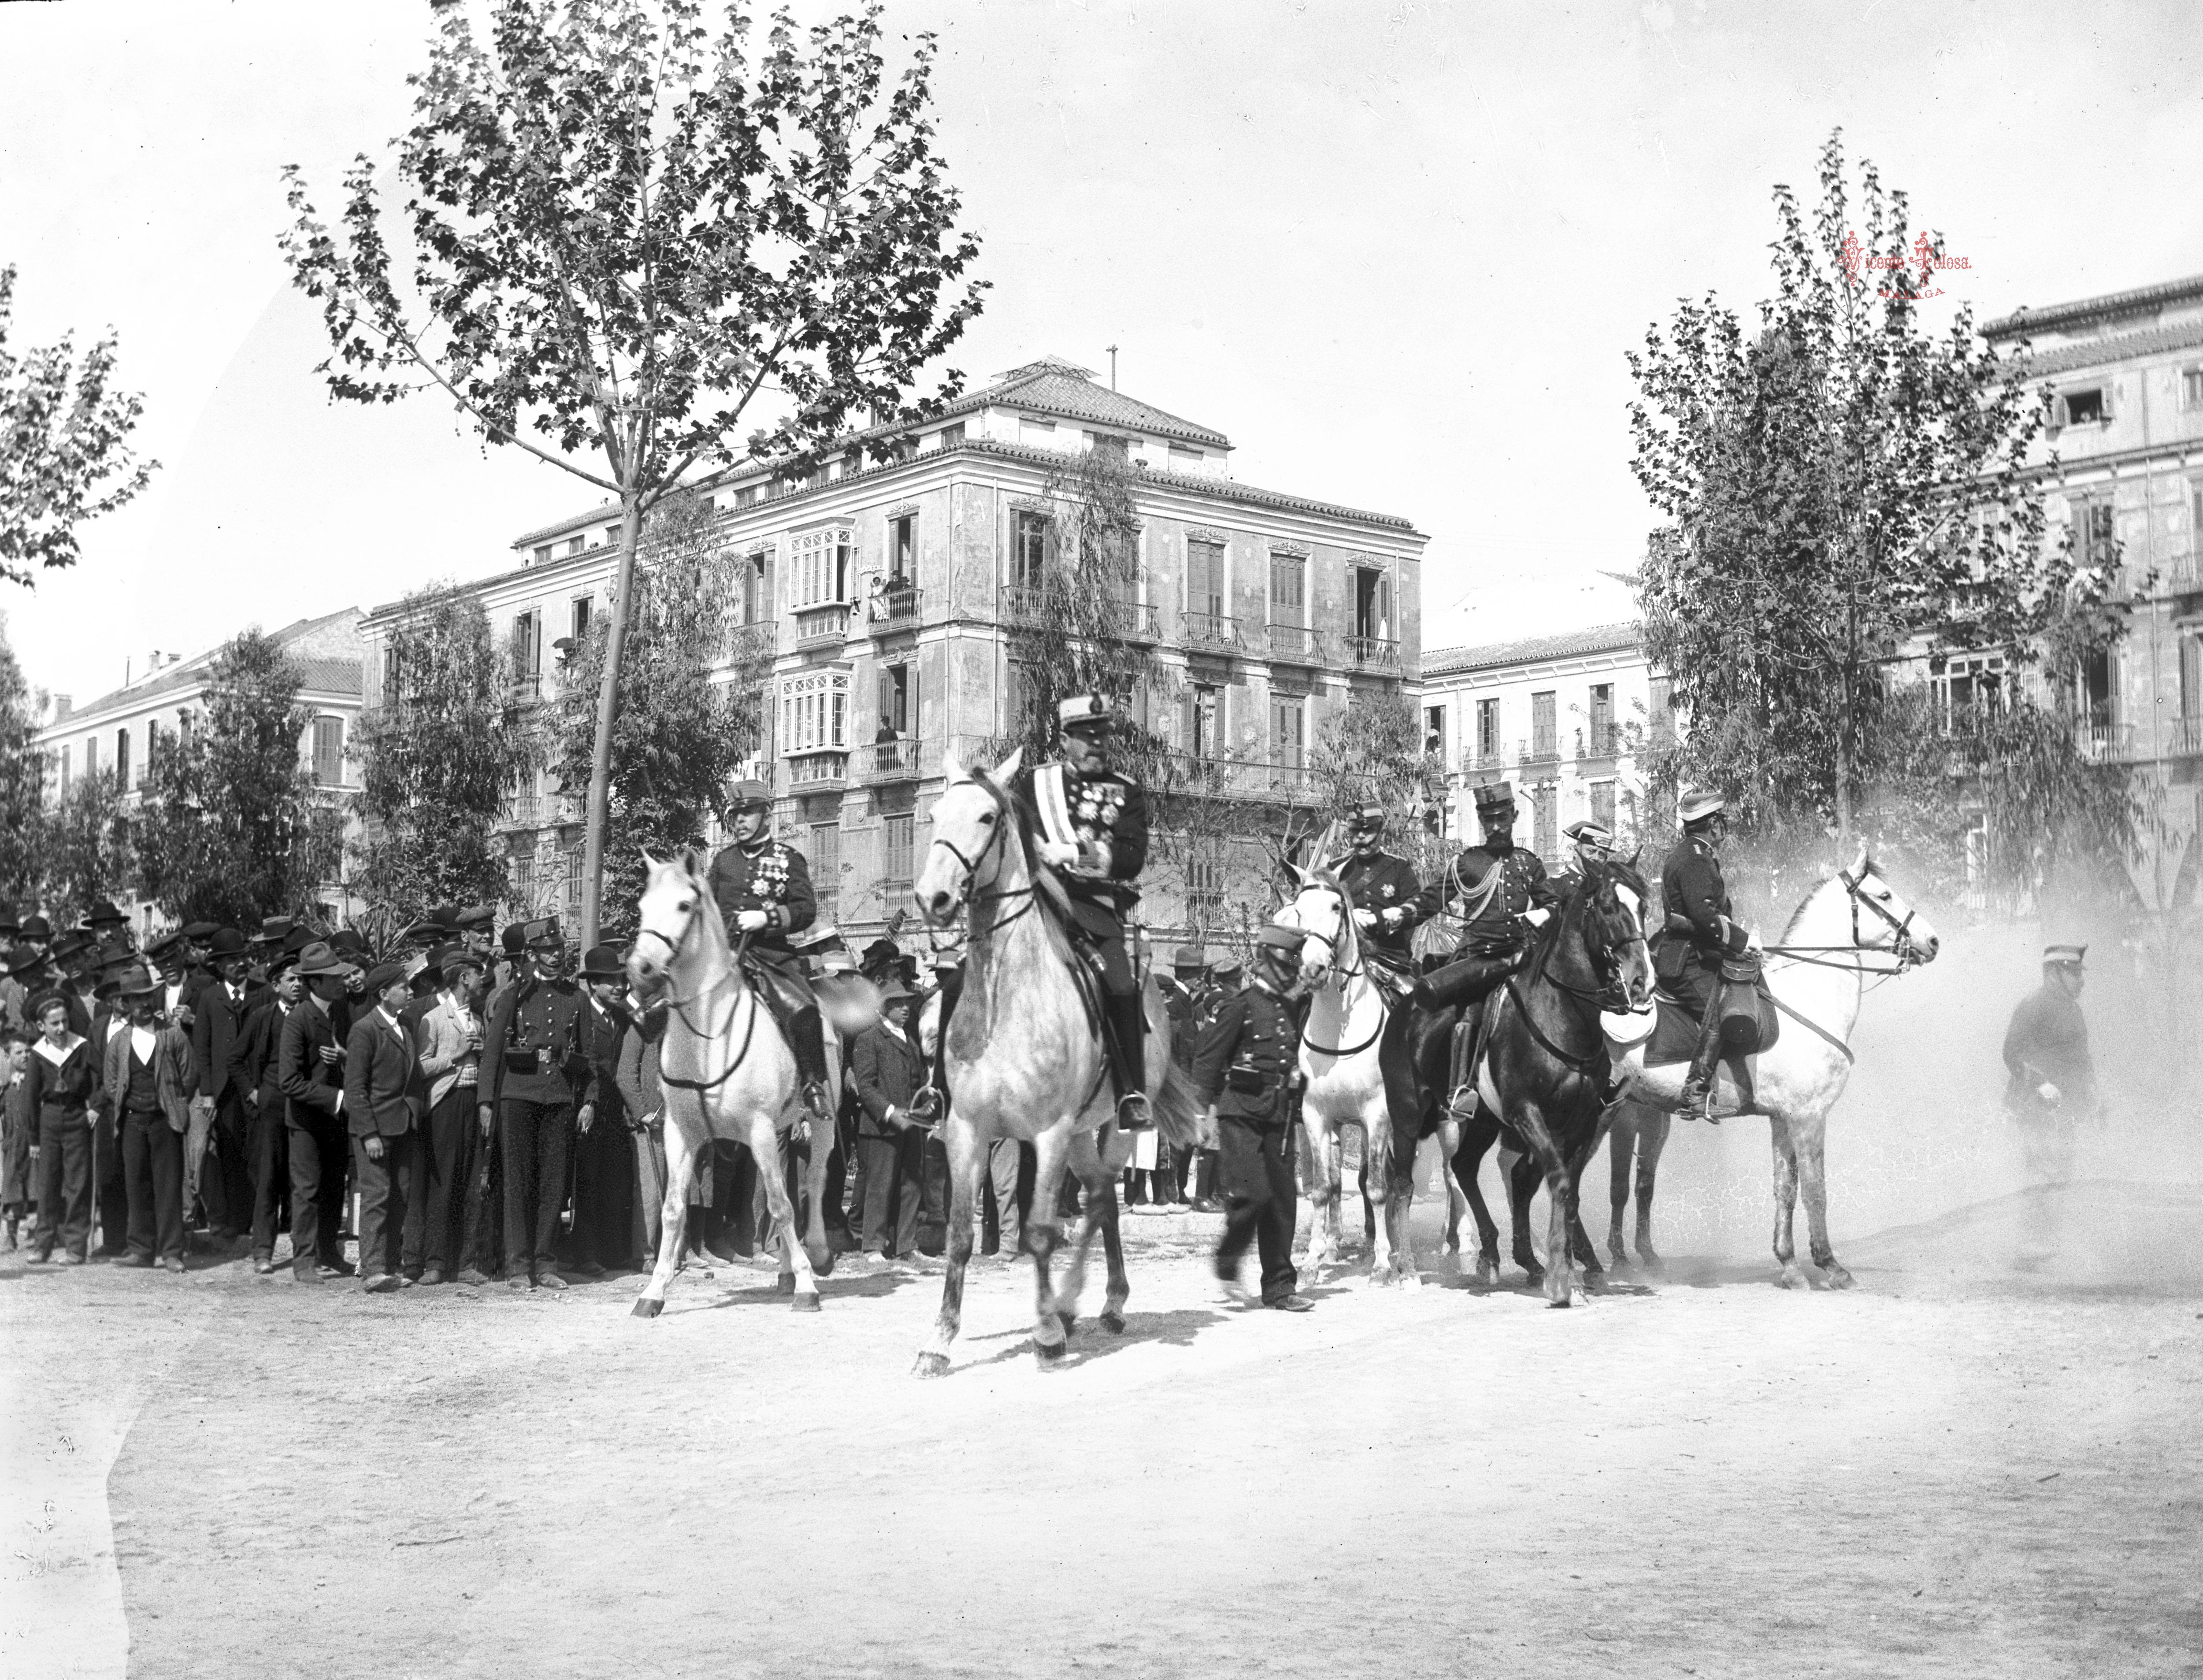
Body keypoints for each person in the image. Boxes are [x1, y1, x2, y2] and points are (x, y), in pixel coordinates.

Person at [1016, 693, 1153, 1128]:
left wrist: (1074, 852)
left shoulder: (1125, 792)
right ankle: (940, 1088)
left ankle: (1131, 1090)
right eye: (1086, 738)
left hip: (1092, 911)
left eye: (1102, 738)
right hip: (1033, 905)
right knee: (967, 969)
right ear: (1064, 740)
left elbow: (1131, 858)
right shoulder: (1032, 785)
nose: (1097, 746)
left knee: (1120, 985)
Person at [1194, 925, 1314, 1312]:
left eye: (1293, 966)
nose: (1290, 972)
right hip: (1239, 1114)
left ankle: (1280, 1287)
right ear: (1265, 961)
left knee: (1282, 1202)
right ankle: (1228, 1260)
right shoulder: (1239, 1005)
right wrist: (1201, 1113)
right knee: (1252, 1195)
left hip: (1279, 1113)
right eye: (1284, 964)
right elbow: (1208, 1061)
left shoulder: (1291, 1006)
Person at [705, 779, 833, 1122]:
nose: (740, 821)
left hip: (771, 956)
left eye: (747, 813)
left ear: (766, 814)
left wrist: (767, 917)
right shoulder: (723, 862)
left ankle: (811, 1083)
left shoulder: (788, 859)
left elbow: (806, 910)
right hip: (726, 955)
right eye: (735, 815)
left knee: (804, 1008)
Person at [480, 917, 589, 1291]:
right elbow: (492, 1054)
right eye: (547, 951)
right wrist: (485, 1102)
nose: (556, 956)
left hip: (558, 1096)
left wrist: (589, 1099)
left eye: (559, 949)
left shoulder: (577, 998)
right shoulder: (515, 996)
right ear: (532, 955)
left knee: (553, 1185)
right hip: (517, 1095)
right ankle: (517, 1266)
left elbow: (588, 1057)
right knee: (517, 1183)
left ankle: (545, 1264)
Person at [1652, 788, 1753, 1119]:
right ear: (1713, 825)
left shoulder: (1694, 852)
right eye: (1722, 820)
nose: (1724, 826)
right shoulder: (1695, 858)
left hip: (1698, 954)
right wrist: (1742, 941)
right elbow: (1704, 915)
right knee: (1721, 1012)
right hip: (1687, 960)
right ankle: (1694, 1092)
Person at [104, 964, 194, 1272]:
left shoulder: (171, 1035)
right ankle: (141, 1249)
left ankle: (172, 1252)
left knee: (169, 1187)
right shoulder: (119, 1041)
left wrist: (173, 1103)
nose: (142, 1004)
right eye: (134, 999)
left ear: (153, 998)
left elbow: (189, 1075)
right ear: (125, 1004)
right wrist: (127, 1103)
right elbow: (111, 1081)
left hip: (164, 1121)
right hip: (131, 1121)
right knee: (136, 1184)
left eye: (146, 997)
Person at [345, 962, 427, 1293]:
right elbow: (355, 1088)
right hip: (376, 1130)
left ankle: (392, 1264)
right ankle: (373, 1269)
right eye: (404, 987)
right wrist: (368, 1133)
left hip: (403, 1126)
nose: (410, 992)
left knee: (400, 1196)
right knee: (377, 1196)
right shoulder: (365, 1030)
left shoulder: (405, 1025)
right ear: (383, 993)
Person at [278, 940, 356, 1283]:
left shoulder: (340, 1012)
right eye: (333, 977)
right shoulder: (299, 1019)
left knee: (332, 1190)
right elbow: (289, 1082)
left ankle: (329, 1251)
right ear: (315, 982)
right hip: (308, 1122)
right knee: (307, 1191)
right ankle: (304, 1260)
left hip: (336, 1121)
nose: (342, 981)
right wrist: (337, 1098)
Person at [412, 945, 485, 1285]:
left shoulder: (480, 1019)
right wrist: (457, 1055)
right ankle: (436, 1262)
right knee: (441, 1183)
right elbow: (421, 1067)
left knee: (470, 1184)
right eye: (478, 975)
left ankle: (466, 1263)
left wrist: (479, 1055)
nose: (483, 980)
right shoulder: (434, 1018)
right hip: (444, 1105)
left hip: (472, 1102)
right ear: (464, 978)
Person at [188, 927, 260, 1253]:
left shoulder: (262, 993)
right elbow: (201, 1048)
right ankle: (234, 1220)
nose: (239, 965)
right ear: (219, 966)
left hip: (255, 1087)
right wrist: (206, 1091)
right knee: (229, 1153)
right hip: (224, 1089)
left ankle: (260, 1217)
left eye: (242, 958)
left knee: (258, 1151)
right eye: (231, 961)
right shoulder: (210, 997)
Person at [2002, 943, 2099, 1182]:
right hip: (2037, 1112)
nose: (2081, 981)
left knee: (2064, 1182)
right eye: (2074, 974)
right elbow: (2012, 1053)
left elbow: (2081, 1058)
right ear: (2052, 976)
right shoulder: (2034, 1005)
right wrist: (2039, 1084)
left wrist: (2094, 1093)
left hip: (2065, 1113)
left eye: (2080, 973)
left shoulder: (2073, 1010)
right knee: (2040, 1185)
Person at [850, 978, 929, 1261]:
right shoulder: (869, 1039)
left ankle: (907, 1246)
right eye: (898, 1003)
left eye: (908, 1002)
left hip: (912, 1125)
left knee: (912, 1185)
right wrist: (889, 1113)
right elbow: (866, 1085)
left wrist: (926, 1110)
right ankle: (873, 1246)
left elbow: (919, 1082)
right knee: (879, 1187)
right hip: (881, 1128)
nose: (906, 1008)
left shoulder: (910, 1040)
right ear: (884, 1009)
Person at [568, 942, 635, 1275]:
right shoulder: (582, 1013)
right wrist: (588, 1102)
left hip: (617, 1111)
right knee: (588, 1182)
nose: (619, 987)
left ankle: (613, 1251)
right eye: (611, 981)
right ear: (593, 983)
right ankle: (585, 1254)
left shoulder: (621, 1016)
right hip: (587, 1110)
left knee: (615, 1181)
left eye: (622, 980)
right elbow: (587, 1062)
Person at [24, 993, 98, 1265]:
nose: (61, 1028)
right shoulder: (38, 1055)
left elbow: (102, 1080)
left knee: (78, 1183)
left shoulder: (82, 1047)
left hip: (78, 1116)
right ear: (42, 1026)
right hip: (50, 1119)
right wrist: (34, 1138)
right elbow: (30, 1100)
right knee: (48, 1185)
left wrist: (97, 1107)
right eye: (54, 1023)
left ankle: (76, 1246)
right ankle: (43, 1244)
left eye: (64, 1021)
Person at [241, 946, 302, 1274]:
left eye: (300, 979)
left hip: (304, 1108)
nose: (297, 984)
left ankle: (307, 1253)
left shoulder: (310, 1015)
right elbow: (235, 1058)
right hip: (271, 1109)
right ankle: (263, 1251)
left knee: (302, 1181)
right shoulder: (263, 1016)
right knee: (268, 1180)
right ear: (276, 985)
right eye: (291, 980)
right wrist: (253, 1092)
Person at [1327, 804, 1427, 975]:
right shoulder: (1336, 869)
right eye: (1355, 831)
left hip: (1389, 956)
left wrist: (1380, 920)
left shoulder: (1399, 867)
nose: (1361, 837)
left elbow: (1418, 910)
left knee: (1412, 997)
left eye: (1368, 831)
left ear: (1381, 832)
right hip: (1344, 955)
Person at [1, 1029, 30, 1248]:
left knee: (36, 1186)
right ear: (8, 1056)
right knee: (12, 1187)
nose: (25, 1056)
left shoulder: (36, 1082)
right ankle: (11, 1235)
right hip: (13, 1144)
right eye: (19, 1052)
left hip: (33, 1143)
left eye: (28, 1052)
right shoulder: (6, 1088)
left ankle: (39, 1232)